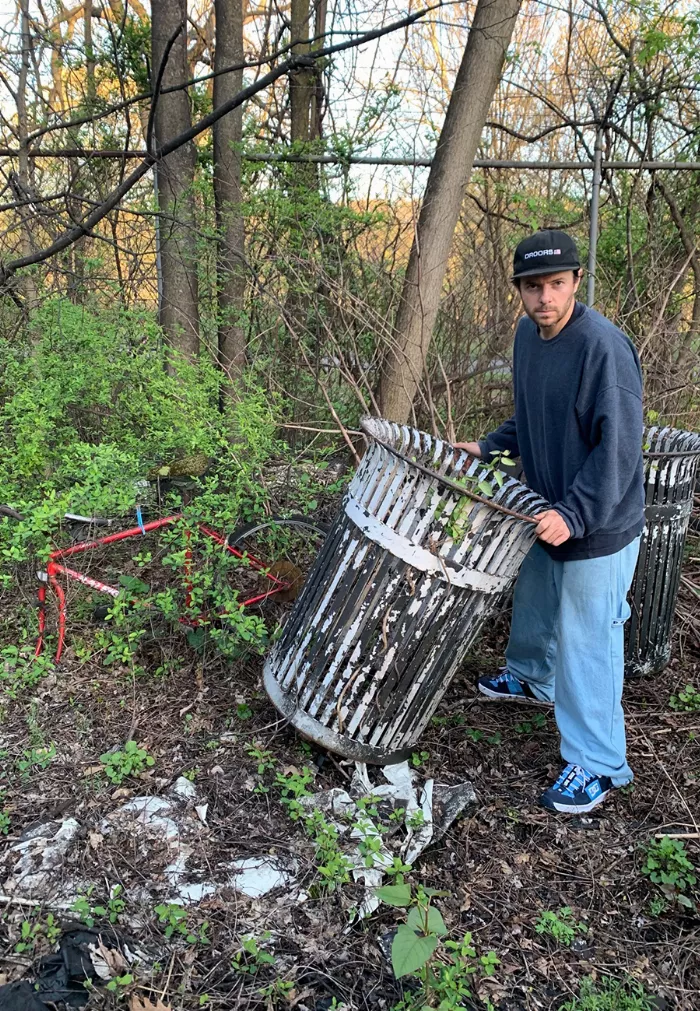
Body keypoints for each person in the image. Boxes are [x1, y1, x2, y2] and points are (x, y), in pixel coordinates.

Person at [456, 229, 644, 814]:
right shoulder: (527, 337)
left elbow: (620, 448)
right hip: (545, 509)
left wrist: (576, 512)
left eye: (556, 284)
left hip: (598, 523)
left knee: (589, 641)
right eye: (533, 287)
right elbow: (536, 416)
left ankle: (598, 762)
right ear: (519, 291)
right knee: (535, 603)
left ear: (576, 283)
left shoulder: (603, 349)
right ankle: (532, 678)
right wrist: (487, 447)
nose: (545, 298)